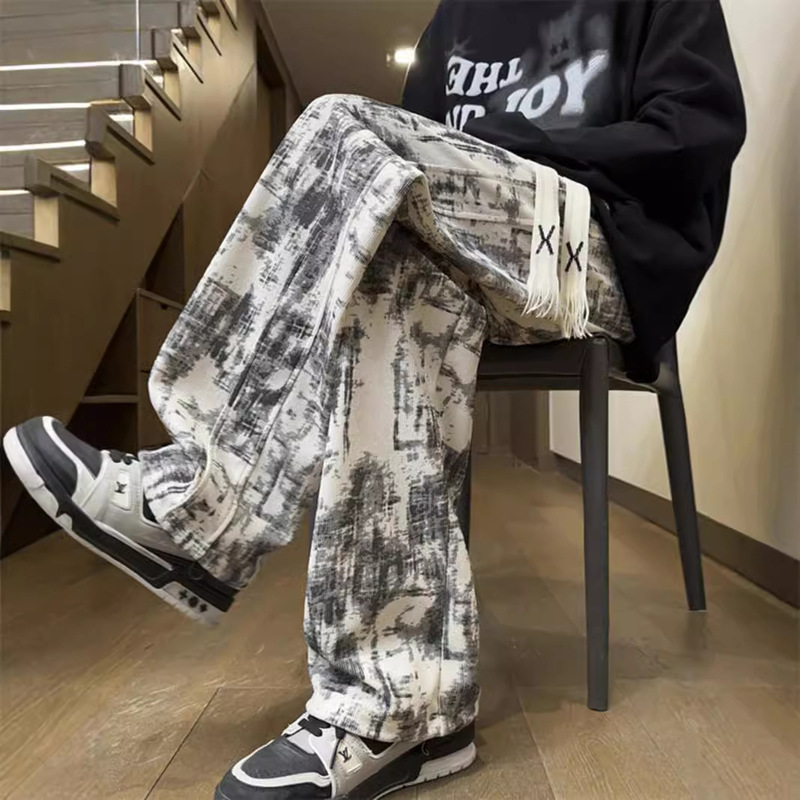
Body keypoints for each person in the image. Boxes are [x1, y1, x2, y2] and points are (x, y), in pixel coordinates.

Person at [2, 1, 745, 798]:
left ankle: (203, 502)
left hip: (597, 251)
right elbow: (409, 168)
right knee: (390, 281)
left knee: (342, 125)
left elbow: (696, 134)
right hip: (468, 258)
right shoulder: (460, 16)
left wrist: (516, 150)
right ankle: (401, 706)